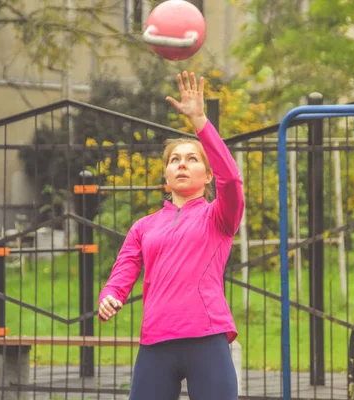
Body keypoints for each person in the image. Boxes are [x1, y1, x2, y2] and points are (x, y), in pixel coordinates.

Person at [98, 71, 244, 400]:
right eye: (174, 160)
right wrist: (110, 294)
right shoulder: (144, 226)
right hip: (156, 342)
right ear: (165, 177)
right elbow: (122, 272)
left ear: (207, 175)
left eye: (192, 160)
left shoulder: (218, 216)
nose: (181, 164)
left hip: (207, 338)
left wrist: (200, 122)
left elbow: (232, 181)